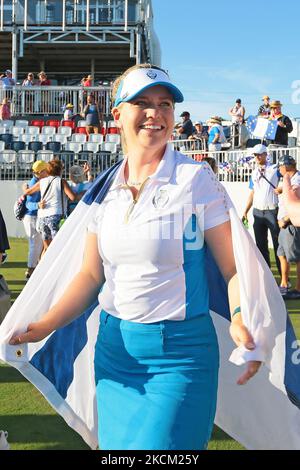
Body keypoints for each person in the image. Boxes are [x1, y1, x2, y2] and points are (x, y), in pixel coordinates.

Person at [8, 64, 262, 451]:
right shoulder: (103, 188)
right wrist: (45, 326)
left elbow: (232, 267)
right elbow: (91, 276)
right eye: (141, 102)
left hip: (180, 356)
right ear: (117, 115)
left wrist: (241, 319)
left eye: (164, 104)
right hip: (114, 356)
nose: (155, 113)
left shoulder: (195, 179)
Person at [23, 159, 78, 257]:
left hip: (41, 218)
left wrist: (24, 188)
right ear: (60, 170)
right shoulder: (61, 182)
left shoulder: (42, 182)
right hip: (55, 217)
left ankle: (41, 271)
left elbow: (28, 192)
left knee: (47, 248)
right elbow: (72, 197)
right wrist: (83, 193)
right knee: (57, 248)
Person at [242, 144, 281, 275]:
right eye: (255, 155)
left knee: (278, 245)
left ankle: (283, 279)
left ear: (266, 154)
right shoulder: (254, 172)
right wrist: (245, 211)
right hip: (257, 212)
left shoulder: (275, 169)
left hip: (272, 211)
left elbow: (291, 176)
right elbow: (253, 192)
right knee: (261, 246)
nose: (257, 157)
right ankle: (267, 276)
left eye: (259, 154)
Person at [275, 155, 300, 299]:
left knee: (296, 257)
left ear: (286, 166)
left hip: (291, 223)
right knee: (281, 254)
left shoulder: (297, 180)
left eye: (280, 166)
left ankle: (298, 288)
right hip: (283, 223)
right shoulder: (287, 179)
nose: (279, 169)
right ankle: (284, 284)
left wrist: (286, 219)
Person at [22, 161, 48, 280]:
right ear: (40, 172)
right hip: (31, 217)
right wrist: (38, 205)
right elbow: (28, 204)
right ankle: (30, 271)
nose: (47, 172)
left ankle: (34, 270)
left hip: (34, 216)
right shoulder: (34, 183)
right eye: (45, 170)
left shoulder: (38, 181)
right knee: (35, 245)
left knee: (39, 244)